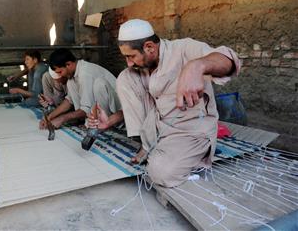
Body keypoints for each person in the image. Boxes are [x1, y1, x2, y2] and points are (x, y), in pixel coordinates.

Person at [104, 19, 241, 187]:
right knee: (125, 77)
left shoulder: (184, 48)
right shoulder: (142, 67)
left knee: (161, 172)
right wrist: (110, 120)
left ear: (149, 47)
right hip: (158, 121)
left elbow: (228, 61)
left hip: (189, 130)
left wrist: (196, 66)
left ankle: (179, 154)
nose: (129, 62)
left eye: (131, 56)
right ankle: (148, 144)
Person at [39, 49, 122, 129]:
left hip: (119, 112)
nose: (61, 75)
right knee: (70, 83)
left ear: (68, 64)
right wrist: (49, 117)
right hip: (102, 111)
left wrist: (62, 119)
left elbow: (86, 109)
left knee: (99, 84)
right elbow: (69, 101)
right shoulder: (72, 77)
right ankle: (92, 122)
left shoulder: (85, 73)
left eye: (60, 72)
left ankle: (105, 122)